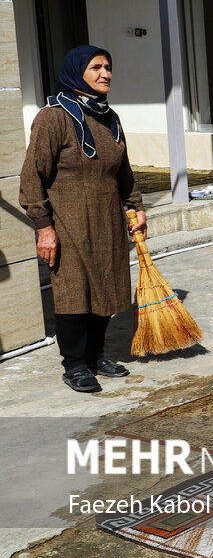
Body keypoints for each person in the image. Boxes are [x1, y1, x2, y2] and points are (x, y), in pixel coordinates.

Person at [19, 46, 146, 394]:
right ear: (78, 72)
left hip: (107, 221)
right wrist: (44, 228)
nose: (105, 73)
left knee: (106, 288)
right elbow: (32, 178)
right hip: (68, 224)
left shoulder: (109, 118)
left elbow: (124, 171)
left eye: (108, 67)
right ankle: (74, 365)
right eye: (96, 67)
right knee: (74, 293)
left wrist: (135, 206)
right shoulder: (53, 118)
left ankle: (96, 355)